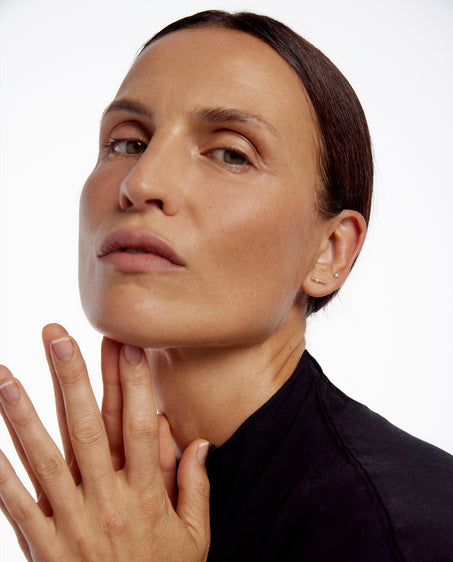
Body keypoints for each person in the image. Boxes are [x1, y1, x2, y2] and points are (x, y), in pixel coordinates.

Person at [0, 9, 452, 561]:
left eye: (231, 154)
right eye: (128, 143)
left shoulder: (394, 533)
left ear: (329, 251)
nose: (141, 183)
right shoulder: (108, 519)